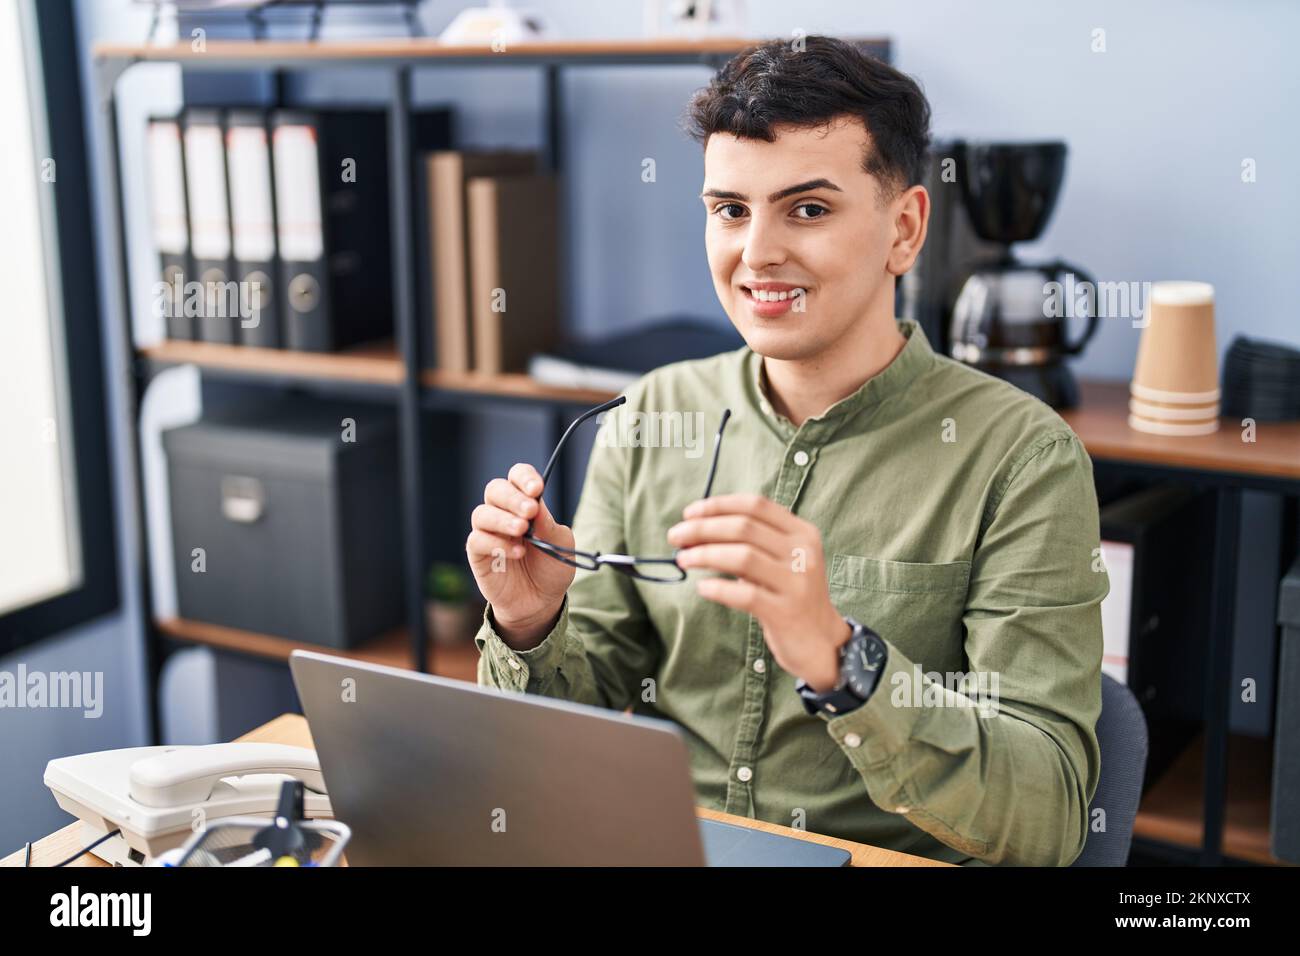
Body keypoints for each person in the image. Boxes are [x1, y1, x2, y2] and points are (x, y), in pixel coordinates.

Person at [466, 35, 1106, 866]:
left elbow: (1048, 819)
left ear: (904, 229)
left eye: (807, 209)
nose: (757, 253)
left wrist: (843, 662)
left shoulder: (1023, 460)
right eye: (731, 210)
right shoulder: (649, 413)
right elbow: (582, 709)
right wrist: (530, 620)